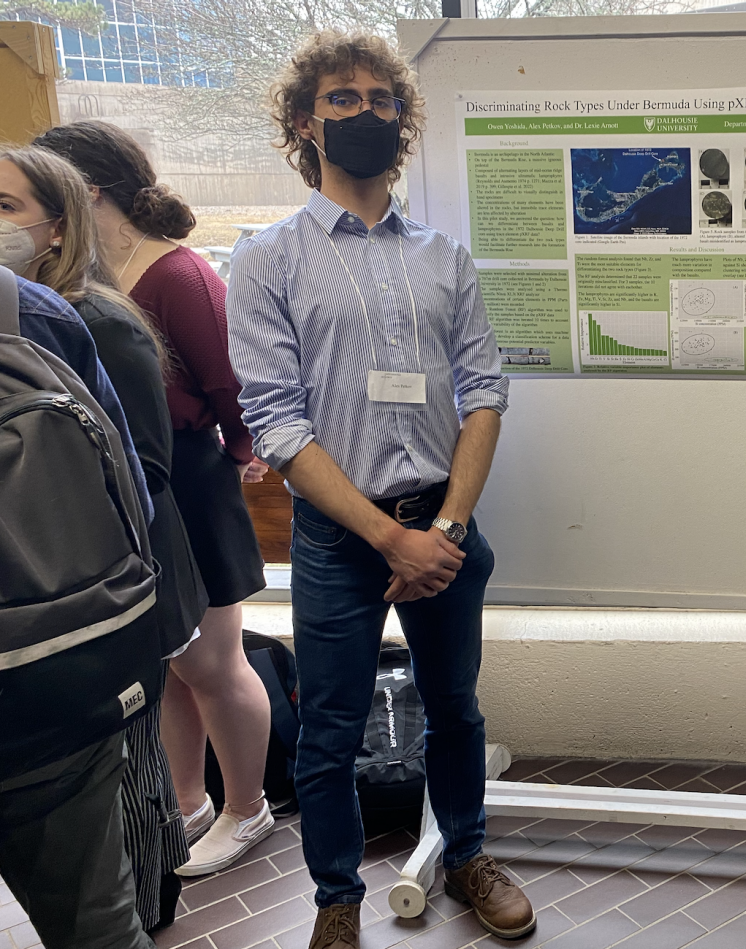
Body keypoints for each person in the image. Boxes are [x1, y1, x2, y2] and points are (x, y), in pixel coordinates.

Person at [225, 30, 532, 948]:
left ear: (404, 119)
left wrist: (441, 528)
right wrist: (386, 539)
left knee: (457, 710)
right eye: (342, 99)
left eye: (380, 100)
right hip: (337, 535)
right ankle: (335, 898)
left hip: (444, 521)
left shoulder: (444, 257)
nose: (364, 114)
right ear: (304, 121)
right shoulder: (267, 259)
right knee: (327, 729)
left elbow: (484, 392)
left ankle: (468, 852)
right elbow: (279, 424)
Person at [34, 120, 275, 876]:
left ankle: (247, 808)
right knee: (167, 660)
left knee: (213, 662)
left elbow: (229, 385)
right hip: (128, 491)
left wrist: (244, 452)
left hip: (187, 488)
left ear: (84, 189)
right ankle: (187, 800)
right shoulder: (84, 275)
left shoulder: (175, 275)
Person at [0, 143, 206, 931]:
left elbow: (138, 471)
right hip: (71, 627)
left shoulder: (76, 318)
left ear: (62, 223)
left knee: (108, 872)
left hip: (92, 610)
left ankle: (163, 870)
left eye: (8, 205)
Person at [0, 267, 155, 949]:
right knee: (98, 923)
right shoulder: (30, 309)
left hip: (47, 706)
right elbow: (129, 497)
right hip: (59, 671)